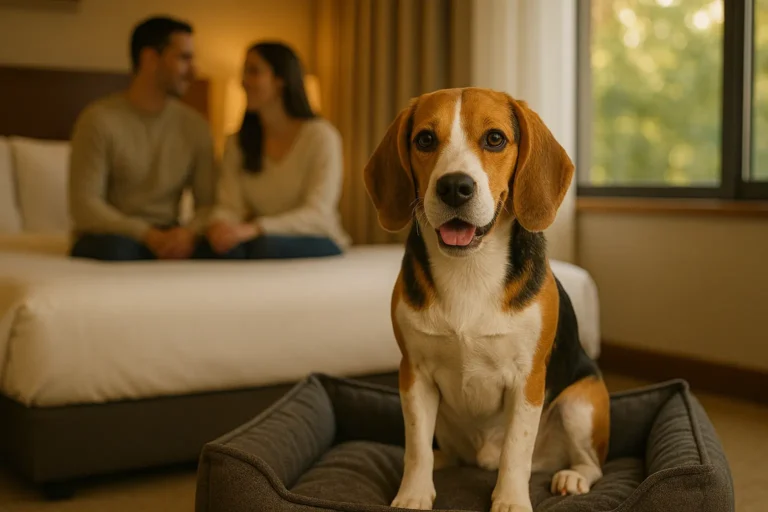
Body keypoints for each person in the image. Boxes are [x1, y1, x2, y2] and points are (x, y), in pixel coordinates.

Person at [68, 16, 216, 261]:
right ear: (150, 59)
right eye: (184, 58)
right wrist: (147, 235)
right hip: (113, 237)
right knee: (120, 250)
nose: (194, 71)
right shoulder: (98, 120)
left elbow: (208, 203)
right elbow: (85, 207)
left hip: (169, 231)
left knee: (223, 249)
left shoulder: (196, 126)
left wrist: (187, 234)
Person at [199, 42, 351, 260]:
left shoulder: (320, 137)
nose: (242, 82)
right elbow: (229, 205)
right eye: (244, 72)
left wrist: (255, 228)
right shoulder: (238, 142)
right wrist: (220, 226)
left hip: (314, 236)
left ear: (281, 80)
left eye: (253, 71)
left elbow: (318, 213)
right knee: (217, 248)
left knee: (265, 246)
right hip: (259, 240)